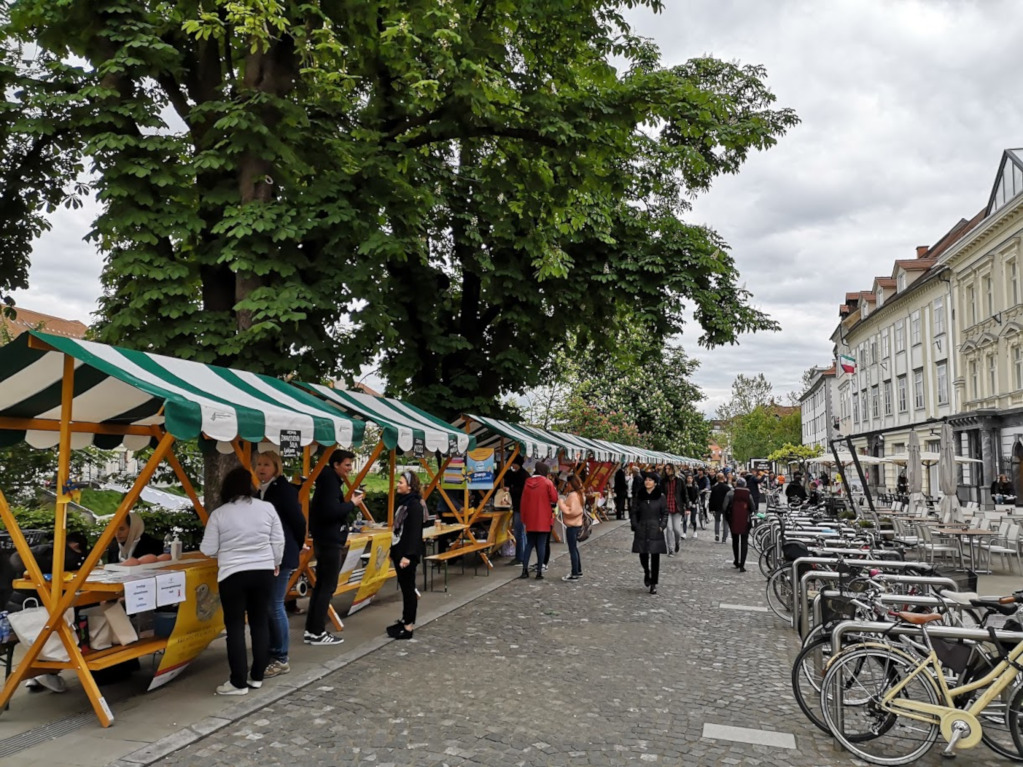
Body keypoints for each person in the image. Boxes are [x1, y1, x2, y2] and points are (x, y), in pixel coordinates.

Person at [200, 466, 284, 695]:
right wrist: (275, 562)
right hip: (263, 571)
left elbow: (207, 548)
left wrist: (225, 552)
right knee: (259, 622)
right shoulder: (267, 508)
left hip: (232, 573)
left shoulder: (219, 514)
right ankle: (257, 676)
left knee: (235, 627)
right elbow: (278, 541)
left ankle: (237, 682)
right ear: (251, 486)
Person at [6, 532, 89, 693]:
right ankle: (44, 673)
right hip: (34, 608)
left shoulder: (46, 550)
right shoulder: (60, 554)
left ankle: (41, 674)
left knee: (49, 634)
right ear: (76, 546)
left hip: (24, 606)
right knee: (58, 631)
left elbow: (16, 560)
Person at [255, 450, 306, 678]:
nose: (261, 468)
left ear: (276, 467)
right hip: (268, 555)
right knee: (269, 604)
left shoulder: (282, 490)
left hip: (281, 555)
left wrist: (296, 543)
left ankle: (281, 656)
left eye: (266, 464)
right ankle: (272, 650)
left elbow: (298, 520)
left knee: (275, 604)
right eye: (258, 464)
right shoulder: (262, 490)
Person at [304, 449, 357, 646]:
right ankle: (317, 631)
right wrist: (352, 504)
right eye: (347, 465)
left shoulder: (329, 481)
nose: (349, 469)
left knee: (321, 586)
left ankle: (312, 630)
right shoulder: (329, 483)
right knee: (327, 586)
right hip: (329, 540)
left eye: (350, 465)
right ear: (335, 465)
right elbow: (330, 511)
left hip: (325, 539)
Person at [387, 471, 426, 640]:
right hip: (399, 550)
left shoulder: (415, 505)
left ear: (410, 486)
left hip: (407, 554)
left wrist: (408, 556)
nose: (398, 484)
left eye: (401, 482)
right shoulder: (404, 503)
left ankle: (409, 625)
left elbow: (414, 533)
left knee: (409, 589)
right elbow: (399, 530)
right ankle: (405, 619)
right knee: (405, 587)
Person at [519, 462, 557, 581]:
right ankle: (539, 571)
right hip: (543, 518)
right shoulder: (547, 483)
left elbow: (523, 502)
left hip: (530, 518)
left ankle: (524, 569)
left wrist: (524, 518)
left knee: (529, 544)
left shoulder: (527, 482)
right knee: (541, 545)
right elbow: (554, 498)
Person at [632, 472, 667, 594]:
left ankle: (653, 583)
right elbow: (634, 511)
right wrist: (635, 525)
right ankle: (647, 571)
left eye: (650, 480)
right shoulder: (639, 495)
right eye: (646, 480)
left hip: (655, 528)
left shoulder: (660, 496)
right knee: (643, 554)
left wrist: (662, 526)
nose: (647, 482)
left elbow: (665, 513)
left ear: (655, 483)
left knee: (655, 556)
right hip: (642, 527)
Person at [723, 477, 755, 572]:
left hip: (733, 519)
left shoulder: (730, 493)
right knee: (744, 542)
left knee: (735, 541)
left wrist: (727, 517)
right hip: (745, 520)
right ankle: (742, 565)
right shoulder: (748, 494)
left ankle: (736, 560)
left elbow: (724, 506)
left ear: (736, 484)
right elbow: (753, 507)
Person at [557, 474, 585, 581]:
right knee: (575, 549)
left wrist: (561, 503)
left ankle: (574, 573)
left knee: (572, 549)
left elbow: (571, 511)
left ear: (570, 484)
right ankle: (578, 570)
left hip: (572, 526)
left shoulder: (573, 495)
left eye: (567, 483)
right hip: (577, 524)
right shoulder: (580, 494)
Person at [504, 454, 528, 566]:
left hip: (520, 506)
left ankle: (520, 557)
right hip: (518, 506)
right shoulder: (516, 474)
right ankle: (522, 556)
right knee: (520, 532)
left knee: (519, 532)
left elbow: (522, 491)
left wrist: (511, 489)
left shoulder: (523, 475)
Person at [661, 465, 684, 555]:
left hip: (677, 508)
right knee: (669, 529)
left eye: (668, 469)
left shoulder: (680, 481)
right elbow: (661, 493)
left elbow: (684, 494)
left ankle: (677, 542)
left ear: (673, 470)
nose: (667, 471)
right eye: (665, 469)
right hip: (667, 508)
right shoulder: (663, 481)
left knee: (676, 530)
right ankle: (670, 548)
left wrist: (687, 507)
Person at [708, 472, 731, 544]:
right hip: (726, 507)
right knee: (725, 523)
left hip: (717, 507)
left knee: (717, 521)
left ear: (717, 479)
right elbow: (730, 498)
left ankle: (717, 534)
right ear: (724, 478)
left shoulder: (714, 488)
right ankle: (724, 538)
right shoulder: (727, 488)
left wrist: (711, 508)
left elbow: (711, 499)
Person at [683, 473, 700, 538]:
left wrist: (694, 503)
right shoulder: (684, 487)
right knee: (685, 519)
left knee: (693, 520)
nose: (689, 480)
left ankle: (695, 531)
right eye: (688, 478)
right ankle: (684, 533)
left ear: (693, 479)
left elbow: (697, 496)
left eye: (691, 478)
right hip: (686, 505)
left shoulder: (695, 487)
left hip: (693, 505)